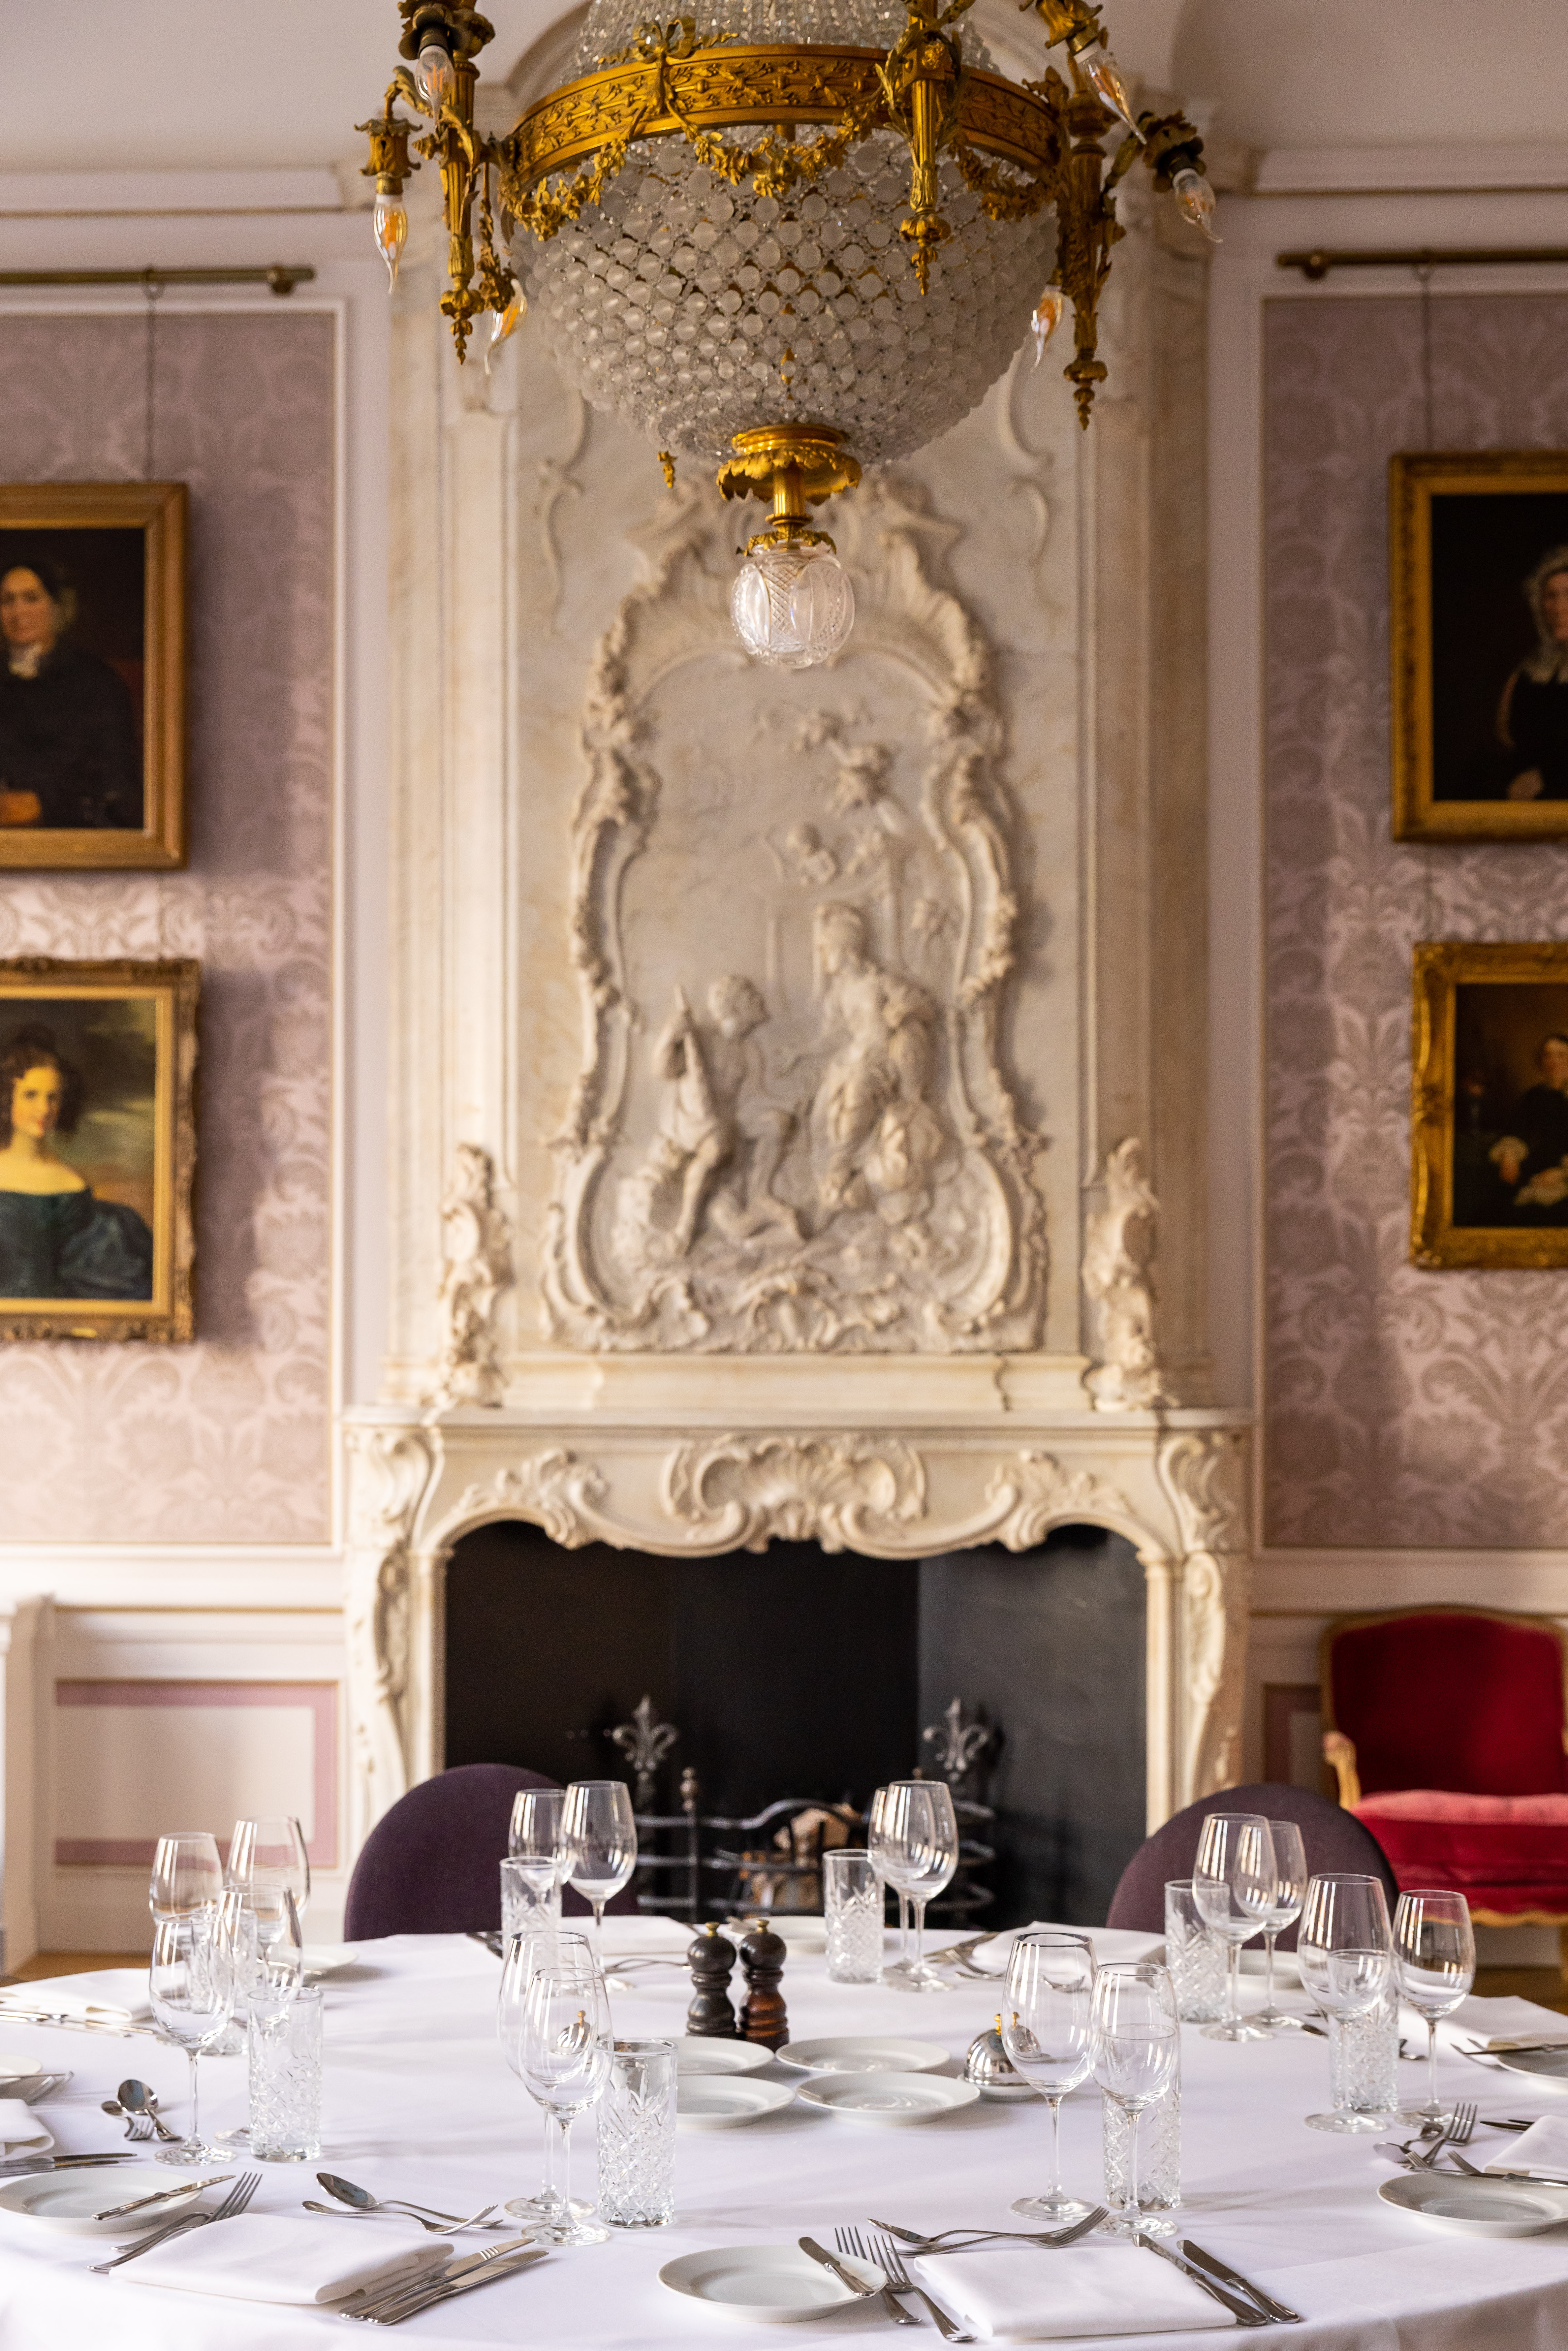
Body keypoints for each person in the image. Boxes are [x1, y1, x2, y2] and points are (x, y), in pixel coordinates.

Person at [0, 1025, 153, 1300]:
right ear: (6, 1100)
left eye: (53, 1097)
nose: (44, 1110)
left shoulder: (71, 1182)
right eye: (31, 1095)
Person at [0, 557, 141, 829]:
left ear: (57, 607)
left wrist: (42, 804)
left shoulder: (98, 682)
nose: (18, 613)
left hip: (68, 834)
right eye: (7, 601)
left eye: (31, 599)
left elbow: (118, 790)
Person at [1496, 548, 1568, 802]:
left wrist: (1546, 777)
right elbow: (1508, 745)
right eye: (1551, 596)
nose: (1559, 607)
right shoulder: (1525, 676)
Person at [1490, 1032, 1568, 1221]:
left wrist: (1562, 1174)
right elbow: (1516, 1130)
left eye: (1561, 1055)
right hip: (1532, 1176)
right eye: (1548, 1055)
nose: (1554, 1061)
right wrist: (1509, 1154)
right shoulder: (1534, 1096)